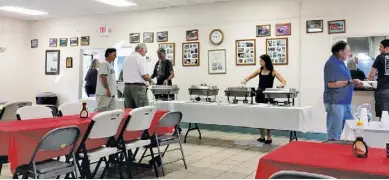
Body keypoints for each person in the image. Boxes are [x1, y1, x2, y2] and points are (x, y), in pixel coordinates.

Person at [242, 54, 286, 144]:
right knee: (259, 115)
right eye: (260, 61)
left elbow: (283, 81)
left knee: (268, 116)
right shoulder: (259, 70)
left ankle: (269, 137)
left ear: (266, 61)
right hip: (259, 94)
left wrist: (282, 85)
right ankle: (262, 136)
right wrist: (245, 80)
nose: (260, 62)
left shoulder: (273, 72)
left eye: (261, 61)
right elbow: (250, 76)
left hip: (269, 95)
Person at [324, 41, 363, 140]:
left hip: (345, 102)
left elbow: (344, 80)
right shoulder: (331, 64)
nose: (349, 53)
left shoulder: (341, 63)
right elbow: (331, 84)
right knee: (335, 132)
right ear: (340, 51)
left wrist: (353, 82)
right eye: (347, 51)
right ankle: (332, 151)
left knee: (352, 127)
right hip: (336, 102)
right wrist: (350, 82)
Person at [123, 43, 154, 109]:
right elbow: (145, 76)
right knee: (143, 111)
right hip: (138, 88)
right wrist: (151, 80)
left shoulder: (126, 58)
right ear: (142, 50)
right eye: (145, 52)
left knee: (129, 111)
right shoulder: (140, 58)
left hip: (127, 88)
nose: (145, 54)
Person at [367, 39, 389, 118]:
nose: (379, 49)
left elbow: (372, 74)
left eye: (381, 47)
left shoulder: (380, 57)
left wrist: (368, 83)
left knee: (383, 117)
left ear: (386, 48)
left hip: (382, 91)